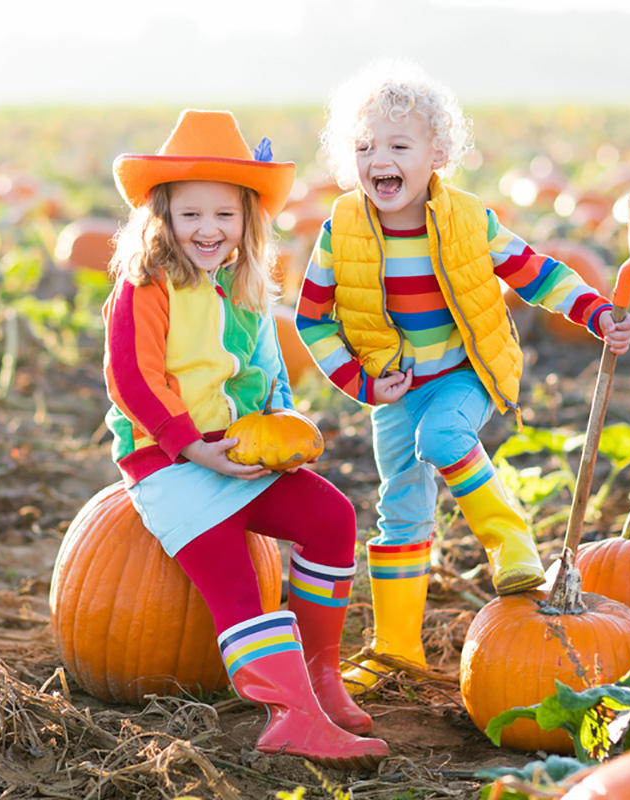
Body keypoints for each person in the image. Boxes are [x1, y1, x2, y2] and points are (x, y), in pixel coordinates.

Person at [296, 62, 630, 692]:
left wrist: (595, 311)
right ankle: (397, 647)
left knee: (446, 441)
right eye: (365, 147)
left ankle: (513, 548)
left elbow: (535, 271)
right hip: (392, 390)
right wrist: (362, 384)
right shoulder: (339, 229)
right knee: (399, 512)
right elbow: (311, 319)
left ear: (438, 154)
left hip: (463, 372)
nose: (380, 160)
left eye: (399, 145)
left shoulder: (468, 219)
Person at [103, 109, 388, 768]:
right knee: (234, 581)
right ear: (163, 217)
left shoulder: (245, 287)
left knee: (330, 515)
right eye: (191, 215)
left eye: (224, 216)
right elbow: (132, 380)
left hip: (236, 451)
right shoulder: (145, 287)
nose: (208, 230)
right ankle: (289, 718)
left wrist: (284, 423)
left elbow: (266, 371)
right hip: (170, 464)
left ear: (247, 220)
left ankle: (320, 680)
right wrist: (189, 445)